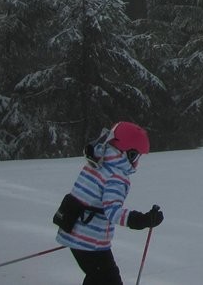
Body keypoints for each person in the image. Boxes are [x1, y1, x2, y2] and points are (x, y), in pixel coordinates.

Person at [53, 122, 164, 285]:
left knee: (98, 277)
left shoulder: (98, 161)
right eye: (137, 156)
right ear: (130, 154)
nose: (137, 163)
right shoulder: (116, 176)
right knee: (108, 279)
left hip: (74, 231)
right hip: (90, 241)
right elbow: (113, 212)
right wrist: (142, 220)